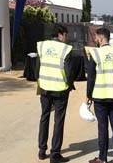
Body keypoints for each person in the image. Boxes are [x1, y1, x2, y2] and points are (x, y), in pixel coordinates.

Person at [36, 24, 75, 163]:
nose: (67, 38)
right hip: (60, 89)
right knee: (58, 121)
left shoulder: (42, 46)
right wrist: (69, 86)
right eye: (66, 35)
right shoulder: (66, 49)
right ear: (60, 34)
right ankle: (55, 154)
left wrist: (40, 83)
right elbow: (69, 72)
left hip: (44, 88)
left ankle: (41, 150)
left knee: (44, 117)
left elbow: (37, 69)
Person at [86, 27, 113, 163]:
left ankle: (102, 158)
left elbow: (91, 77)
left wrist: (88, 96)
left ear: (101, 37)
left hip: (100, 96)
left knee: (103, 127)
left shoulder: (95, 53)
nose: (95, 40)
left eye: (96, 37)